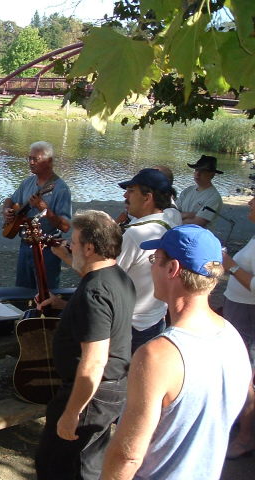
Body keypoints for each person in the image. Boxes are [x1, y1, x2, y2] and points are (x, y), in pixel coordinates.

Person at [101, 225, 252, 479]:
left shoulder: (158, 355)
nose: (151, 268)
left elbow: (128, 454)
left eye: (154, 260)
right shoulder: (232, 337)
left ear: (172, 269)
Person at [34, 210, 135, 480]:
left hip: (90, 395)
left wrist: (72, 412)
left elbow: (94, 361)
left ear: (89, 248)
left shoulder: (94, 291)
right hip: (109, 391)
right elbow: (103, 320)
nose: (70, 246)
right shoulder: (118, 277)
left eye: (74, 242)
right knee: (86, 461)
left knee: (62, 467)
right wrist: (63, 306)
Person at [117, 168, 181, 351]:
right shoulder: (170, 221)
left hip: (130, 325)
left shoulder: (135, 234)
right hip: (155, 318)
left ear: (147, 197)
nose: (125, 196)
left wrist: (68, 256)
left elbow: (107, 279)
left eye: (131, 191)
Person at [2, 141, 71, 290]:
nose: (31, 162)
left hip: (47, 249)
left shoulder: (61, 189)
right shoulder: (28, 182)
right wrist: (7, 210)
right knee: (21, 293)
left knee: (46, 293)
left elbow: (65, 226)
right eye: (29, 158)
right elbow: (10, 200)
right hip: (25, 245)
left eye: (36, 159)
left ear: (49, 162)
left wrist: (45, 210)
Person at [222, 196, 255, 459]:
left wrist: (229, 264)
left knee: (244, 374)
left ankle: (246, 437)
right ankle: (237, 424)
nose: (250, 201)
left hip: (247, 313)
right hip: (238, 309)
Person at [177, 154, 223, 227]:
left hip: (197, 237)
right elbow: (174, 212)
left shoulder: (214, 197)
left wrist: (178, 219)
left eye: (203, 171)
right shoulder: (188, 190)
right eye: (196, 170)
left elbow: (198, 223)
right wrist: (191, 215)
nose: (197, 174)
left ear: (212, 175)